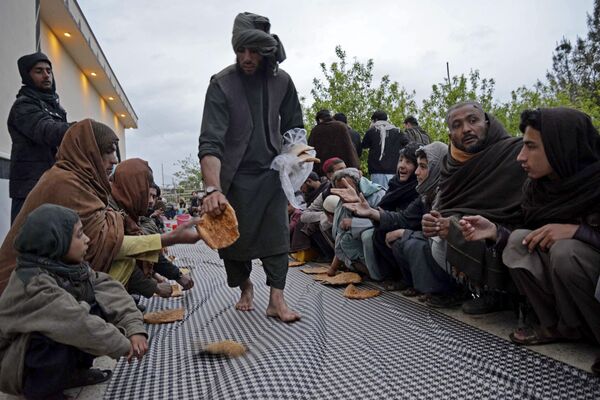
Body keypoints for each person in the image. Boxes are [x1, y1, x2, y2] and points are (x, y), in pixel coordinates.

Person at [458, 108, 600, 373]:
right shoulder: (539, 188)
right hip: (570, 279)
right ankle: (559, 326)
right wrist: (494, 232)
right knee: (518, 242)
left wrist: (577, 232)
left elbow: (567, 241)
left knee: (566, 251)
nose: (520, 157)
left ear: (562, 147)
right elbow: (531, 231)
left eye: (531, 147)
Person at [0, 120, 202, 295]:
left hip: (50, 282)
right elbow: (108, 246)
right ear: (88, 152)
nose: (114, 159)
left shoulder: (85, 184)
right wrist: (171, 239)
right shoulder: (66, 183)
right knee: (124, 261)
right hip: (24, 292)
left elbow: (110, 241)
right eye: (107, 151)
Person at [198, 12, 303, 322]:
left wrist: (293, 158)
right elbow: (210, 143)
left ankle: (277, 300)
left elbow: (295, 127)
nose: (246, 57)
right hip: (234, 179)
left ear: (266, 51)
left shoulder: (282, 81)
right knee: (232, 244)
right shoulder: (221, 84)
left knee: (277, 238)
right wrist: (213, 188)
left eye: (254, 51)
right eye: (240, 50)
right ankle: (245, 286)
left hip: (271, 174)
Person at [0, 204, 148, 399]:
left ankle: (71, 374)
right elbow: (78, 324)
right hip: (12, 365)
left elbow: (110, 289)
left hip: (67, 325)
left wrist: (134, 328)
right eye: (79, 235)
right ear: (56, 242)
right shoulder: (33, 284)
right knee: (54, 334)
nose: (87, 239)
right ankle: (43, 393)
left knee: (96, 304)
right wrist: (124, 345)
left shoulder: (67, 268)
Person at [421, 101, 527, 314]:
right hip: (472, 228)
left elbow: (522, 208)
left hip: (512, 230)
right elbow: (449, 206)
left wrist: (461, 224)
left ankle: (504, 294)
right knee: (437, 240)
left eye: (473, 121)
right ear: (451, 135)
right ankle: (482, 292)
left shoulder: (515, 152)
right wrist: (436, 222)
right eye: (457, 125)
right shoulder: (450, 165)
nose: (466, 129)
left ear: (487, 123)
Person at [7, 52, 73, 222]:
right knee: (26, 243)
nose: (46, 75)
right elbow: (46, 131)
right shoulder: (24, 105)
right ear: (27, 76)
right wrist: (80, 127)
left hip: (52, 185)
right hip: (30, 190)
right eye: (39, 71)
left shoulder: (55, 107)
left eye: (49, 71)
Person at [328, 167, 385, 277]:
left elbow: (385, 220)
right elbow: (339, 232)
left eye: (347, 187)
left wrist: (355, 223)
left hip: (379, 237)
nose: (344, 192)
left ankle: (379, 274)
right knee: (344, 240)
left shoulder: (378, 194)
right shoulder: (342, 201)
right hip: (355, 242)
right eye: (340, 189)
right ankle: (365, 269)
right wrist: (332, 268)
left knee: (367, 236)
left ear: (357, 184)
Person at [361, 110, 408, 189]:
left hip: (376, 171)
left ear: (375, 120)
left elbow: (364, 145)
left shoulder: (372, 131)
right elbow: (407, 145)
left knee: (379, 196)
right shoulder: (398, 131)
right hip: (393, 170)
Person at [308, 109, 360, 176]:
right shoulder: (341, 126)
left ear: (320, 119)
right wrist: (355, 167)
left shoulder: (316, 130)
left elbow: (311, 150)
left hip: (324, 170)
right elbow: (350, 148)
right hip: (343, 167)